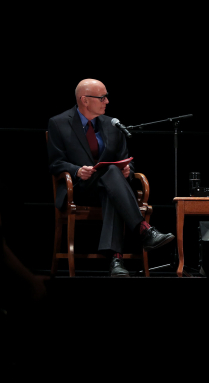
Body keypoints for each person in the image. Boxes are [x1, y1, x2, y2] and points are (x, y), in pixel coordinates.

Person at [47, 79, 174, 277]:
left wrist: (128, 171)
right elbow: (56, 163)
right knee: (112, 179)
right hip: (80, 188)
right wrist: (77, 170)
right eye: (102, 97)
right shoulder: (59, 123)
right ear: (84, 100)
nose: (107, 101)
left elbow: (126, 160)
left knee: (112, 182)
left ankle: (117, 261)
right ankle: (143, 230)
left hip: (110, 189)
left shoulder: (113, 124)